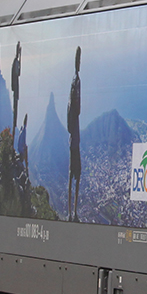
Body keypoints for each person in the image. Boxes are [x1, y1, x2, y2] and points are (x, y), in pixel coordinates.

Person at [67, 47, 81, 222]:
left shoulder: (74, 81)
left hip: (73, 140)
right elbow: (74, 109)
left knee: (73, 174)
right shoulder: (76, 82)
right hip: (75, 143)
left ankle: (72, 211)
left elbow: (70, 110)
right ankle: (73, 212)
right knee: (76, 175)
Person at [11, 41, 22, 134]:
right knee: (15, 108)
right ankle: (14, 126)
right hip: (16, 88)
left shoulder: (15, 61)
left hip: (15, 88)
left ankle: (14, 125)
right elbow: (18, 73)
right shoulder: (16, 62)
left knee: (16, 107)